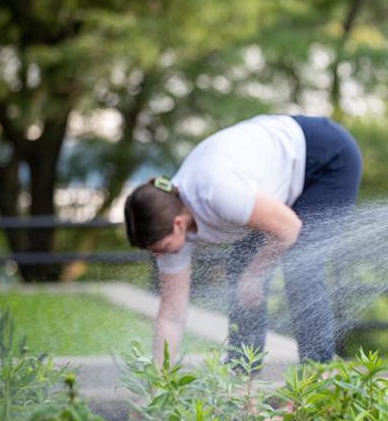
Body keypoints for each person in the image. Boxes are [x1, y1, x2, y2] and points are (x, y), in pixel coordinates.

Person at [124, 114, 362, 365]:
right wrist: (157, 388)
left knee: (301, 269)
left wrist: (256, 273)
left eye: (161, 248)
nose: (160, 256)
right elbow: (172, 314)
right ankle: (244, 387)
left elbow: (289, 228)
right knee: (240, 271)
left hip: (325, 158)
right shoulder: (170, 220)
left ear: (178, 224)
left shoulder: (218, 192)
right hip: (272, 183)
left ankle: (316, 388)